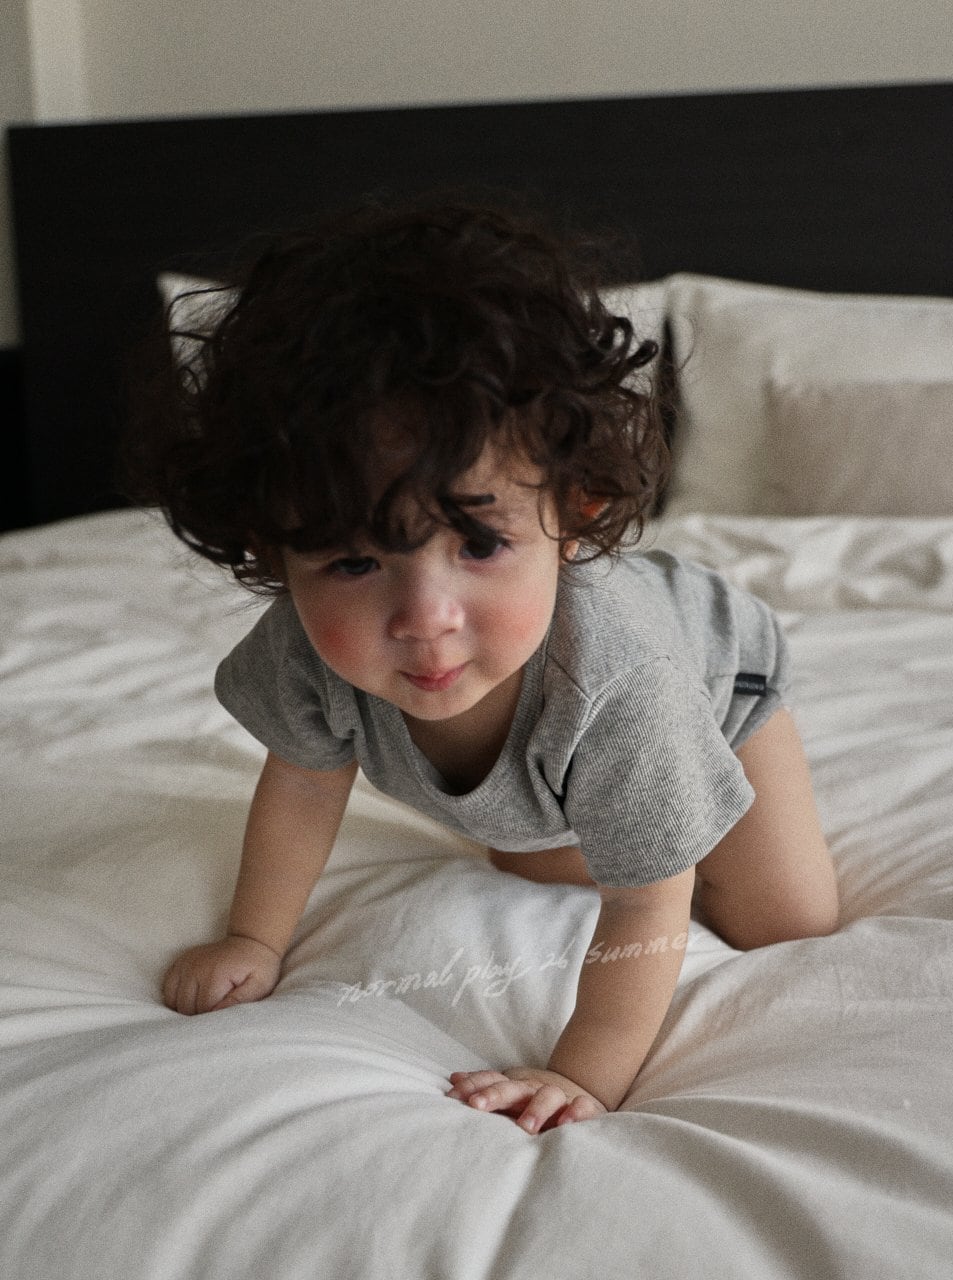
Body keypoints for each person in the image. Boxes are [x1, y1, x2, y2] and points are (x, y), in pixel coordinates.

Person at [133, 197, 839, 1134]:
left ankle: (673, 810)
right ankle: (622, 807)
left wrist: (582, 1076)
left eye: (478, 544)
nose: (424, 620)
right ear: (276, 547)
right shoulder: (303, 646)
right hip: (572, 757)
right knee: (534, 853)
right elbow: (302, 785)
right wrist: (255, 940)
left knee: (784, 922)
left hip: (721, 683)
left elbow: (645, 901)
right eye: (353, 562)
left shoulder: (624, 683)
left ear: (576, 512)